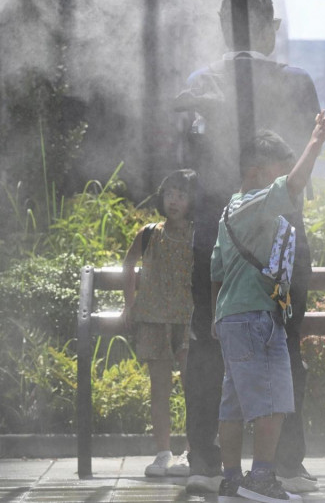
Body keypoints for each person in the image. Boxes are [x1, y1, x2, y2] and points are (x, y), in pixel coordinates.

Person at [176, 0, 321, 495]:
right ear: (268, 29)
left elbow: (184, 155)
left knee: (208, 343)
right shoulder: (296, 81)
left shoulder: (200, 82)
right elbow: (306, 155)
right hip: (282, 237)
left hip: (218, 235)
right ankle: (286, 464)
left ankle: (206, 462)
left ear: (221, 28)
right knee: (285, 342)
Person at [212, 113, 325, 503]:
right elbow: (293, 184)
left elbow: (216, 268)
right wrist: (315, 142)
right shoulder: (254, 204)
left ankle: (231, 478)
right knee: (275, 399)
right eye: (278, 170)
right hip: (255, 317)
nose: (288, 180)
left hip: (233, 316)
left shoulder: (228, 210)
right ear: (257, 172)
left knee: (233, 404)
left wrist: (219, 317)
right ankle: (261, 478)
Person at [120, 169, 197, 477]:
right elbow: (129, 263)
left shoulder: (198, 234)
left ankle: (192, 451)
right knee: (159, 389)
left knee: (194, 388)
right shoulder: (150, 232)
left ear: (193, 200)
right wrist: (129, 304)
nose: (174, 201)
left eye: (181, 195)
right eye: (169, 194)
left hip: (188, 320)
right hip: (154, 320)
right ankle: (162, 452)